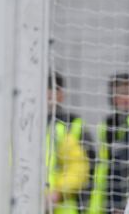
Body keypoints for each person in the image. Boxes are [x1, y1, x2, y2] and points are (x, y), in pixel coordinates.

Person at [88, 74, 129, 214]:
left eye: (128, 93)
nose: (124, 98)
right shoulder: (106, 124)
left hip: (128, 196)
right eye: (120, 93)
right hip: (107, 195)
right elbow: (105, 164)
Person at [45, 73, 90, 214]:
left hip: (60, 206)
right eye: (47, 90)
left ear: (61, 95)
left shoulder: (70, 125)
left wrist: (58, 192)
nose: (50, 96)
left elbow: (79, 166)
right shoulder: (17, 124)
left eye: (54, 90)